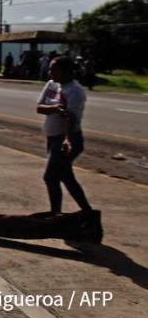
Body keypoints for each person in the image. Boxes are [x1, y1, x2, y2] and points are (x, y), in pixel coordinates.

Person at [36, 56, 93, 213]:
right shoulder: (52, 84)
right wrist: (55, 109)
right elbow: (39, 108)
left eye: (54, 69)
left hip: (66, 139)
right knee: (66, 177)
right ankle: (87, 212)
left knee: (51, 177)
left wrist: (68, 140)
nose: (50, 72)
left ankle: (56, 213)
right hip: (52, 137)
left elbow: (72, 118)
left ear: (66, 71)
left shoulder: (75, 91)